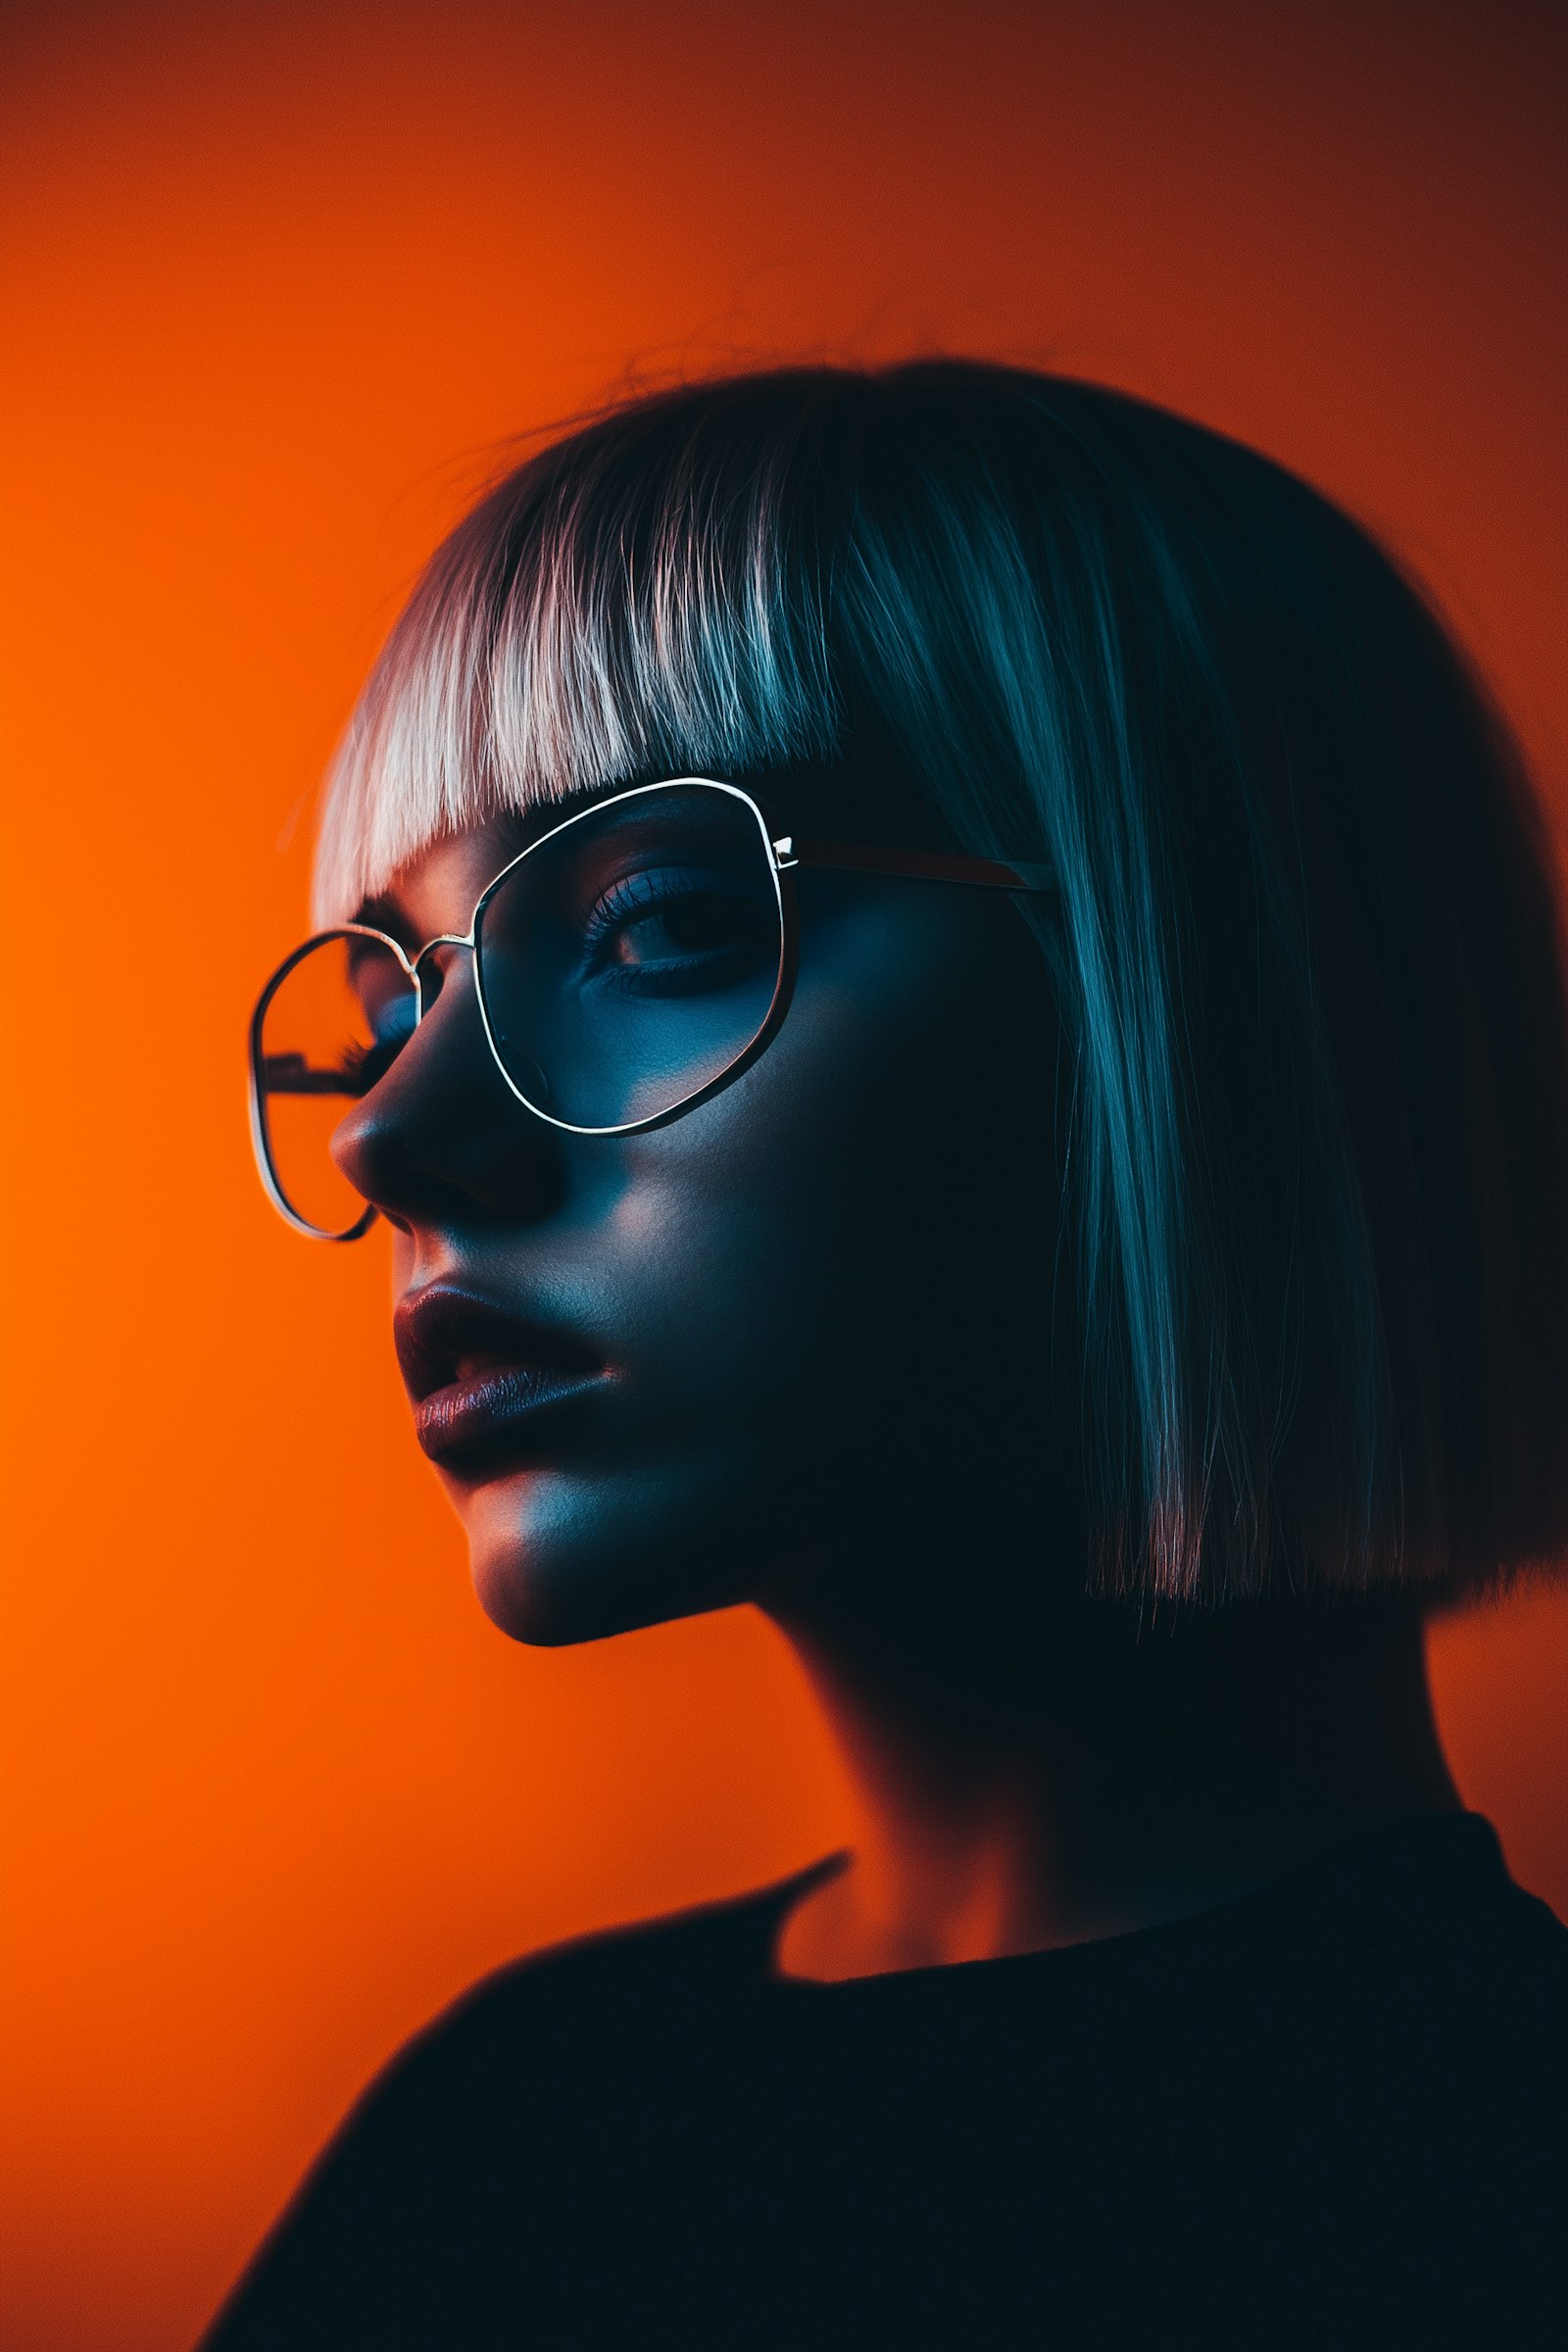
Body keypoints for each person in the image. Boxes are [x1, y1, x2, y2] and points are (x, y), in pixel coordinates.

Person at [207, 363, 1568, 2348]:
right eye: (386, 1000)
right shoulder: (513, 2130)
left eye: (653, 924)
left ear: (1207, 1004)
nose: (393, 1131)